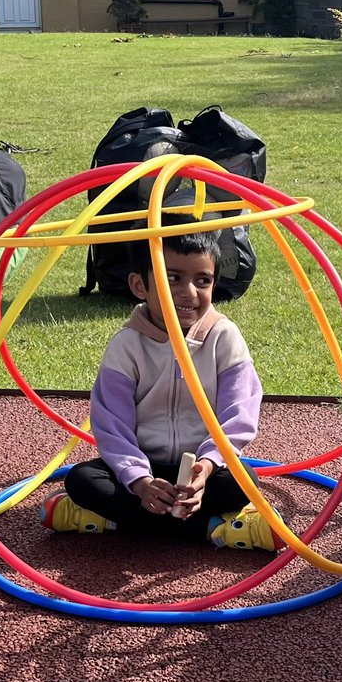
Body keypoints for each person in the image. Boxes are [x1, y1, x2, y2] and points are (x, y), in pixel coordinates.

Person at [40, 215, 282, 551]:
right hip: (142, 468)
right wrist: (140, 482)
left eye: (203, 280)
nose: (189, 292)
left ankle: (107, 519)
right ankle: (217, 530)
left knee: (243, 481)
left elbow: (238, 415)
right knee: (83, 480)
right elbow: (112, 426)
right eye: (173, 278)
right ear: (140, 285)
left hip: (202, 468)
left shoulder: (224, 337)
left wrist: (207, 465)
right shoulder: (127, 345)